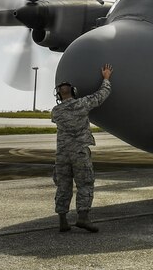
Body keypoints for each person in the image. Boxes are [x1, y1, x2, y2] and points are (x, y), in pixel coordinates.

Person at [51, 63, 113, 232]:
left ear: (58, 94)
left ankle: (63, 221)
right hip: (79, 152)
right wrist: (106, 78)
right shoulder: (82, 104)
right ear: (74, 91)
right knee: (85, 184)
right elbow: (102, 95)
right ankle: (83, 218)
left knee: (63, 186)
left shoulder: (55, 112)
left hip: (62, 156)